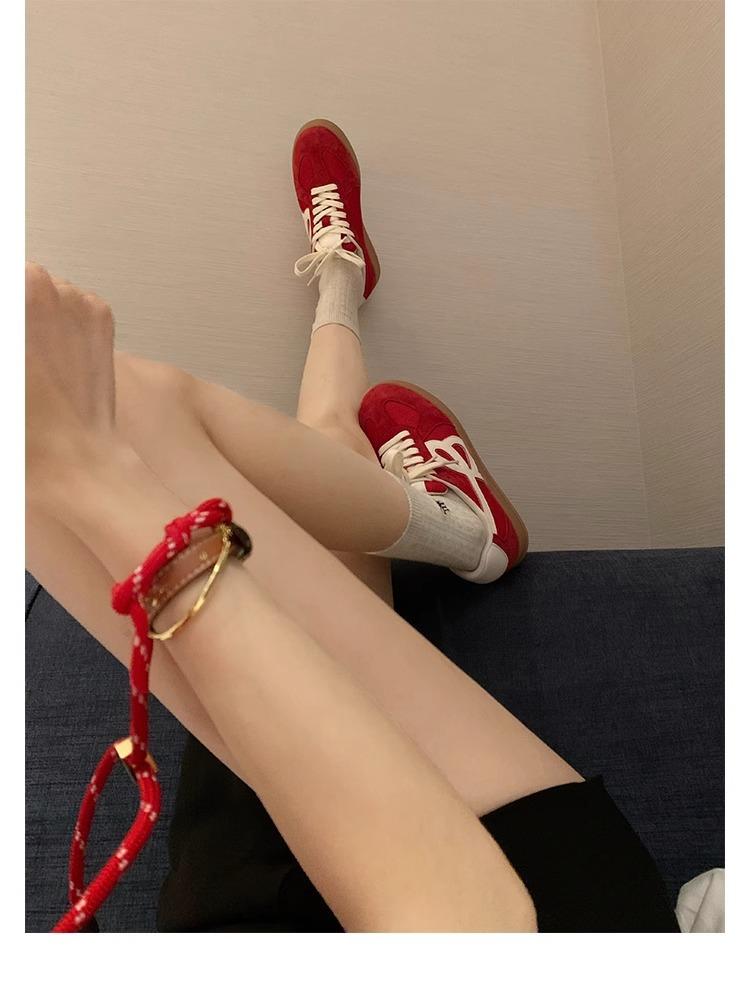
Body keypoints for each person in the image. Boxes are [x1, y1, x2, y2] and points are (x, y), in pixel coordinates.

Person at [25, 119, 679, 933]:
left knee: (68, 424)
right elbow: (483, 925)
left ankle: (363, 328)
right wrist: (94, 477)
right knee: (123, 412)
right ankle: (451, 512)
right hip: (520, 902)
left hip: (237, 915)